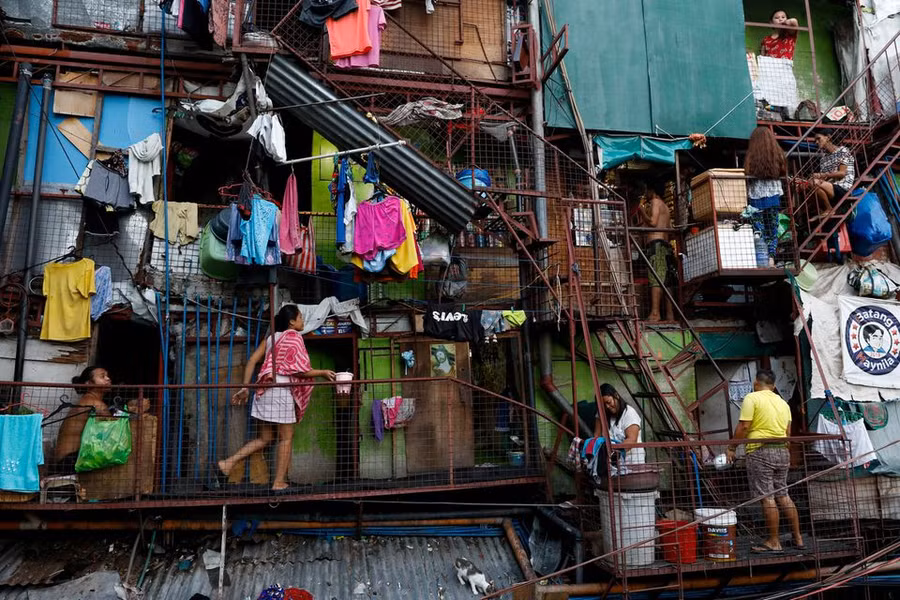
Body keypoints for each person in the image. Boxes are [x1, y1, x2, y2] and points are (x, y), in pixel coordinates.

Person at [217, 305, 336, 491]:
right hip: (280, 391)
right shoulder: (294, 338)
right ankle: (279, 482)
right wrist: (322, 372)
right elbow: (300, 371)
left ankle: (228, 463)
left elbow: (252, 361)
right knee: (286, 438)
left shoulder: (271, 338)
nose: (303, 321)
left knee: (265, 438)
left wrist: (246, 387)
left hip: (264, 390)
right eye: (301, 317)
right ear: (291, 322)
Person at [727, 368, 804, 554]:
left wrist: (731, 448)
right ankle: (798, 538)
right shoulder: (783, 403)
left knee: (767, 497)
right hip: (782, 452)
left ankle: (774, 541)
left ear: (755, 384)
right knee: (783, 494)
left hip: (760, 452)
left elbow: (744, 426)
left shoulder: (752, 398)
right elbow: (788, 433)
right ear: (774, 386)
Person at [53, 366, 149, 473]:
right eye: (102, 376)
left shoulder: (88, 400)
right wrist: (136, 410)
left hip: (68, 459)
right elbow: (115, 428)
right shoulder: (94, 403)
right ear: (89, 383)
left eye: (107, 376)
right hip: (70, 461)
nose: (108, 379)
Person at [745, 126, 787, 266]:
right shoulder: (777, 154)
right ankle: (770, 259)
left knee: (758, 230)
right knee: (772, 229)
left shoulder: (752, 156)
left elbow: (748, 173)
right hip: (773, 196)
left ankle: (759, 259)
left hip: (755, 198)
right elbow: (782, 171)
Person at [639, 182, 675, 322]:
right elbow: (670, 229)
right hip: (665, 245)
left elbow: (653, 222)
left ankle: (655, 313)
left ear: (652, 191)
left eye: (646, 190)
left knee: (656, 280)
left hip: (656, 245)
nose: (645, 194)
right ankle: (670, 314)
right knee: (667, 281)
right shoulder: (665, 206)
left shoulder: (655, 202)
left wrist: (642, 212)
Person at [594, 383, 645, 465]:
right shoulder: (602, 413)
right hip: (613, 465)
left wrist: (615, 453)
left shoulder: (629, 413)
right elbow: (597, 435)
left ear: (616, 396)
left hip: (632, 463)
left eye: (609, 402)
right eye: (603, 405)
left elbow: (631, 440)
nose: (607, 407)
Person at [810, 132, 856, 212]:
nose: (817, 142)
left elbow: (842, 173)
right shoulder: (823, 159)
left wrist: (821, 175)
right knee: (804, 185)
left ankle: (828, 209)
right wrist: (818, 177)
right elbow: (825, 178)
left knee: (813, 182)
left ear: (828, 137)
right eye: (815, 141)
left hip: (843, 187)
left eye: (818, 139)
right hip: (831, 187)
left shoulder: (843, 150)